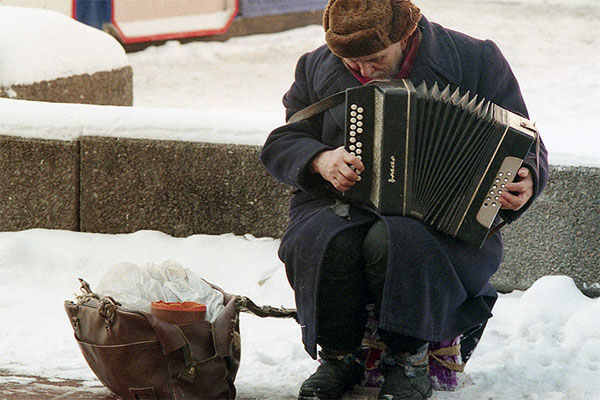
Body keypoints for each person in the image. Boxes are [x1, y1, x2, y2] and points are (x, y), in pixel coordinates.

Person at [260, 0, 549, 399]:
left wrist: (528, 177)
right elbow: (284, 139)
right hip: (341, 203)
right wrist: (320, 159)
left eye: (374, 59)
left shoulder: (475, 58)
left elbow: (526, 140)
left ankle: (410, 359)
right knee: (326, 240)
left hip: (444, 216)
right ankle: (338, 357)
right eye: (350, 63)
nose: (363, 71)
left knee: (395, 241)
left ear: (404, 35)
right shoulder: (315, 65)